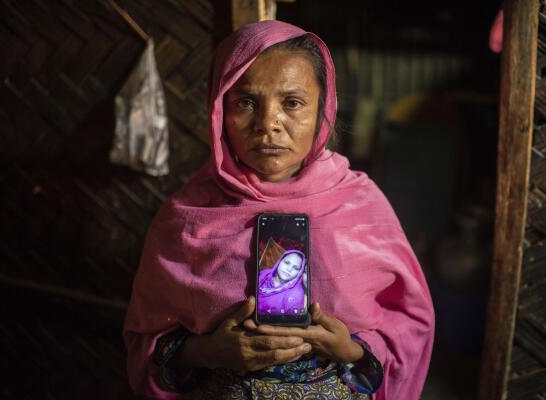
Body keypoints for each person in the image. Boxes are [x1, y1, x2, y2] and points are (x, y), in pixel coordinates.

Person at [124, 20, 435, 400]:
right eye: (246, 102)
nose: (268, 124)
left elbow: (409, 324)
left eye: (292, 102)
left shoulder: (360, 203)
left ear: (324, 106)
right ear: (219, 108)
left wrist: (350, 350)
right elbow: (145, 339)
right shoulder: (186, 216)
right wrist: (207, 352)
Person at [257, 249, 307, 315]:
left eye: (295, 268)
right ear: (279, 261)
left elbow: (291, 321)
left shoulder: (296, 295)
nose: (289, 269)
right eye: (287, 263)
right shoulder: (265, 273)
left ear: (299, 273)